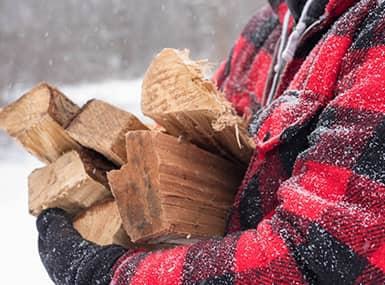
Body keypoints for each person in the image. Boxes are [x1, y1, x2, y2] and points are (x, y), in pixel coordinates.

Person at [37, 0, 385, 284]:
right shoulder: (267, 27)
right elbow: (193, 153)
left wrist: (108, 275)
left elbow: (321, 260)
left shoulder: (376, 25)